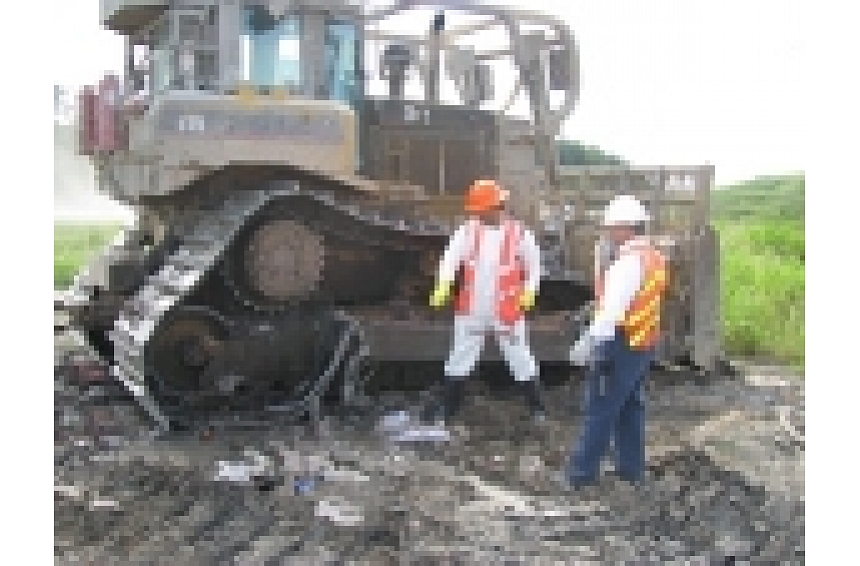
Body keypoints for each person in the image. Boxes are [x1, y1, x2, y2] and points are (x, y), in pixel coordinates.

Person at [564, 194, 669, 488]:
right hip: (642, 343)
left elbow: (612, 310)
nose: (608, 234)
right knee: (631, 406)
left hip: (619, 343)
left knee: (600, 408)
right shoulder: (654, 257)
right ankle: (630, 469)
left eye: (611, 228)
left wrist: (590, 342)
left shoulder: (626, 264)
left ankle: (581, 475)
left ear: (625, 228)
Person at [427, 179, 546, 424]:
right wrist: (443, 284)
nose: (477, 215)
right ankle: (448, 411)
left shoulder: (520, 234)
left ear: (496, 207)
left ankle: (537, 410)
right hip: (473, 307)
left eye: (481, 210)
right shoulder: (467, 231)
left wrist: (530, 291)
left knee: (520, 357)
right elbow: (450, 260)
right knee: (459, 357)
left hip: (507, 309)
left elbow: (534, 267)